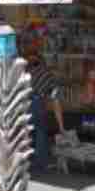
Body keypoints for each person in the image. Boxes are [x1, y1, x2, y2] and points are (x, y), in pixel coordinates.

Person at [20, 34, 66, 171]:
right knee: (40, 131)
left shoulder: (24, 72)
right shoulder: (48, 75)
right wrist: (61, 126)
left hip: (23, 103)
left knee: (25, 132)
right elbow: (55, 100)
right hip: (37, 104)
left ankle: (26, 161)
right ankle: (40, 163)